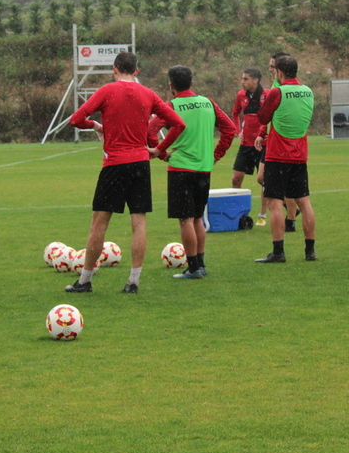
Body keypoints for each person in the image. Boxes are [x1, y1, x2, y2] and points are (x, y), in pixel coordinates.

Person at [64, 51, 185, 294]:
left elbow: (76, 120)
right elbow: (179, 123)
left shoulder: (106, 91)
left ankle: (85, 280)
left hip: (114, 164)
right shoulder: (147, 93)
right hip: (140, 163)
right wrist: (158, 149)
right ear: (136, 71)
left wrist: (97, 125)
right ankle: (133, 281)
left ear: (114, 69)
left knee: (99, 223)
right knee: (139, 222)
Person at [150, 65, 236, 279]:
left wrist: (161, 154)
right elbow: (230, 129)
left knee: (185, 219)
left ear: (171, 85)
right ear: (192, 83)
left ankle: (193, 268)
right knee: (197, 217)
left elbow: (150, 131)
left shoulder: (171, 106)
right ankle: (201, 264)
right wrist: (216, 155)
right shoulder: (208, 103)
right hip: (204, 169)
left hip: (181, 168)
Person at [253, 54, 318, 263]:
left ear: (279, 72)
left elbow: (263, 117)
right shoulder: (308, 91)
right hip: (300, 155)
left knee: (273, 202)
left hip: (277, 155)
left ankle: (278, 252)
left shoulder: (277, 92)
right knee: (304, 202)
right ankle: (310, 252)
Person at [258, 52, 300, 232]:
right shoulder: (274, 86)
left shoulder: (280, 89)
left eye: (272, 66)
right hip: (270, 139)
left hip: (280, 144)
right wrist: (261, 132)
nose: (269, 69)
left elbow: (266, 115)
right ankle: (292, 210)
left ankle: (290, 220)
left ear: (280, 70)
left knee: (282, 186)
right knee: (261, 178)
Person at [230, 67, 268, 224]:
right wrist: (238, 130)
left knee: (262, 179)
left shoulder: (266, 95)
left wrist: (262, 133)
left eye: (245, 79)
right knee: (236, 179)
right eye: (242, 78)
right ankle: (235, 214)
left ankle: (262, 215)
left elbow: (270, 117)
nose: (242, 82)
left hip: (262, 143)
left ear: (255, 80)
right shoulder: (241, 95)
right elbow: (235, 114)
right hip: (246, 144)